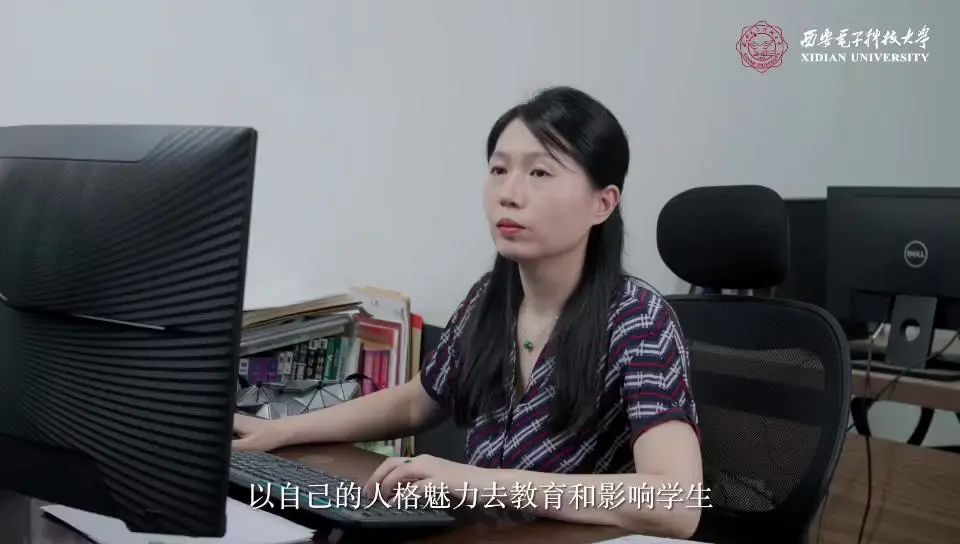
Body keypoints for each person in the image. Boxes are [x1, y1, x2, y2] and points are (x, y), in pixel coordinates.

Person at [234, 86, 703, 538]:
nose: (509, 193)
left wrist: (479, 481)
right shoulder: (491, 300)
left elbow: (676, 503)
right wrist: (283, 431)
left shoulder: (639, 320)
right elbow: (416, 402)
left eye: (540, 173)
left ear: (603, 203)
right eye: (499, 169)